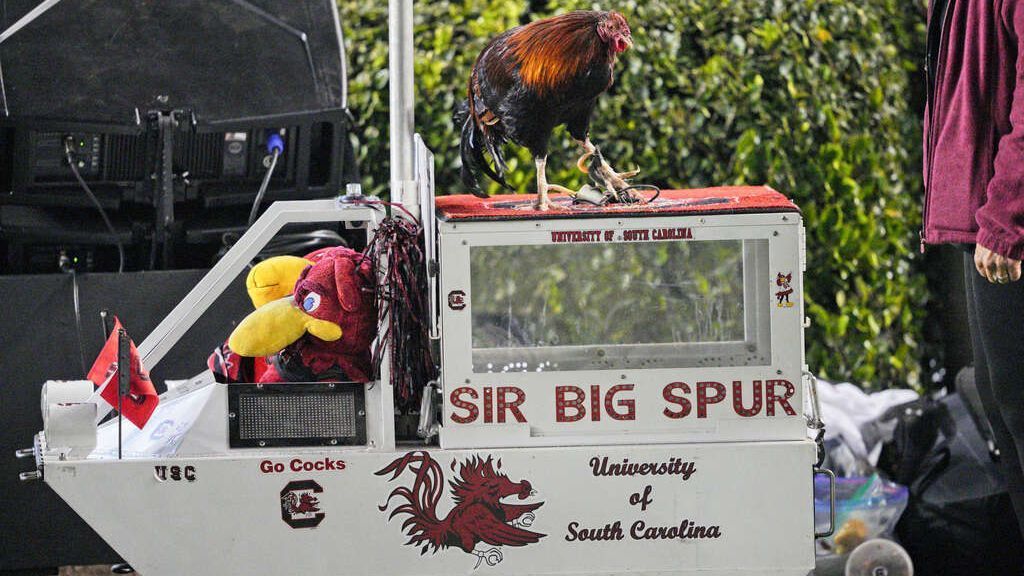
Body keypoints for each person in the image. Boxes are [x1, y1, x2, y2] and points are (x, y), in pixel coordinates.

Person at [923, 0, 1024, 539]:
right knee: (1003, 406)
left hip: (1006, 229)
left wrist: (1009, 216)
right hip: (986, 222)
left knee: (1019, 410)